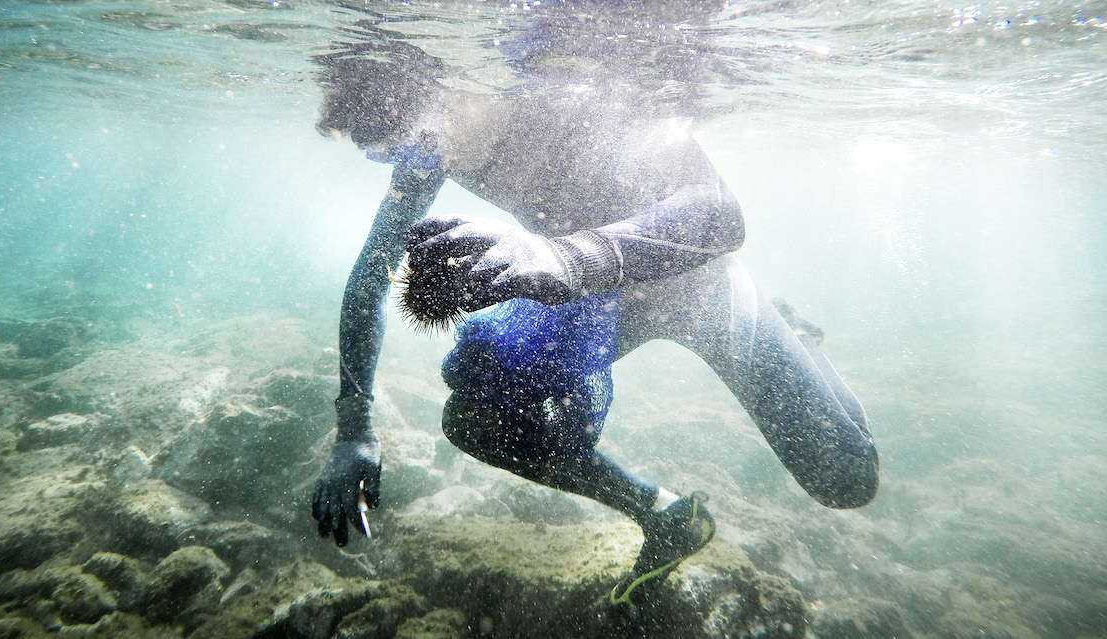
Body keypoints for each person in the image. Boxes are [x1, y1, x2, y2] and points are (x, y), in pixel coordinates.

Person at [308, 53, 878, 607]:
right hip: (590, 299)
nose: (416, 161)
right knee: (475, 421)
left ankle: (793, 336)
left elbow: (721, 212)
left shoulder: (574, 94)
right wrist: (354, 428)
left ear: (454, 83)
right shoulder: (430, 148)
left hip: (698, 289)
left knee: (844, 481)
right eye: (389, 154)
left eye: (410, 140)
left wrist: (566, 262)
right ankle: (663, 513)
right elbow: (369, 281)